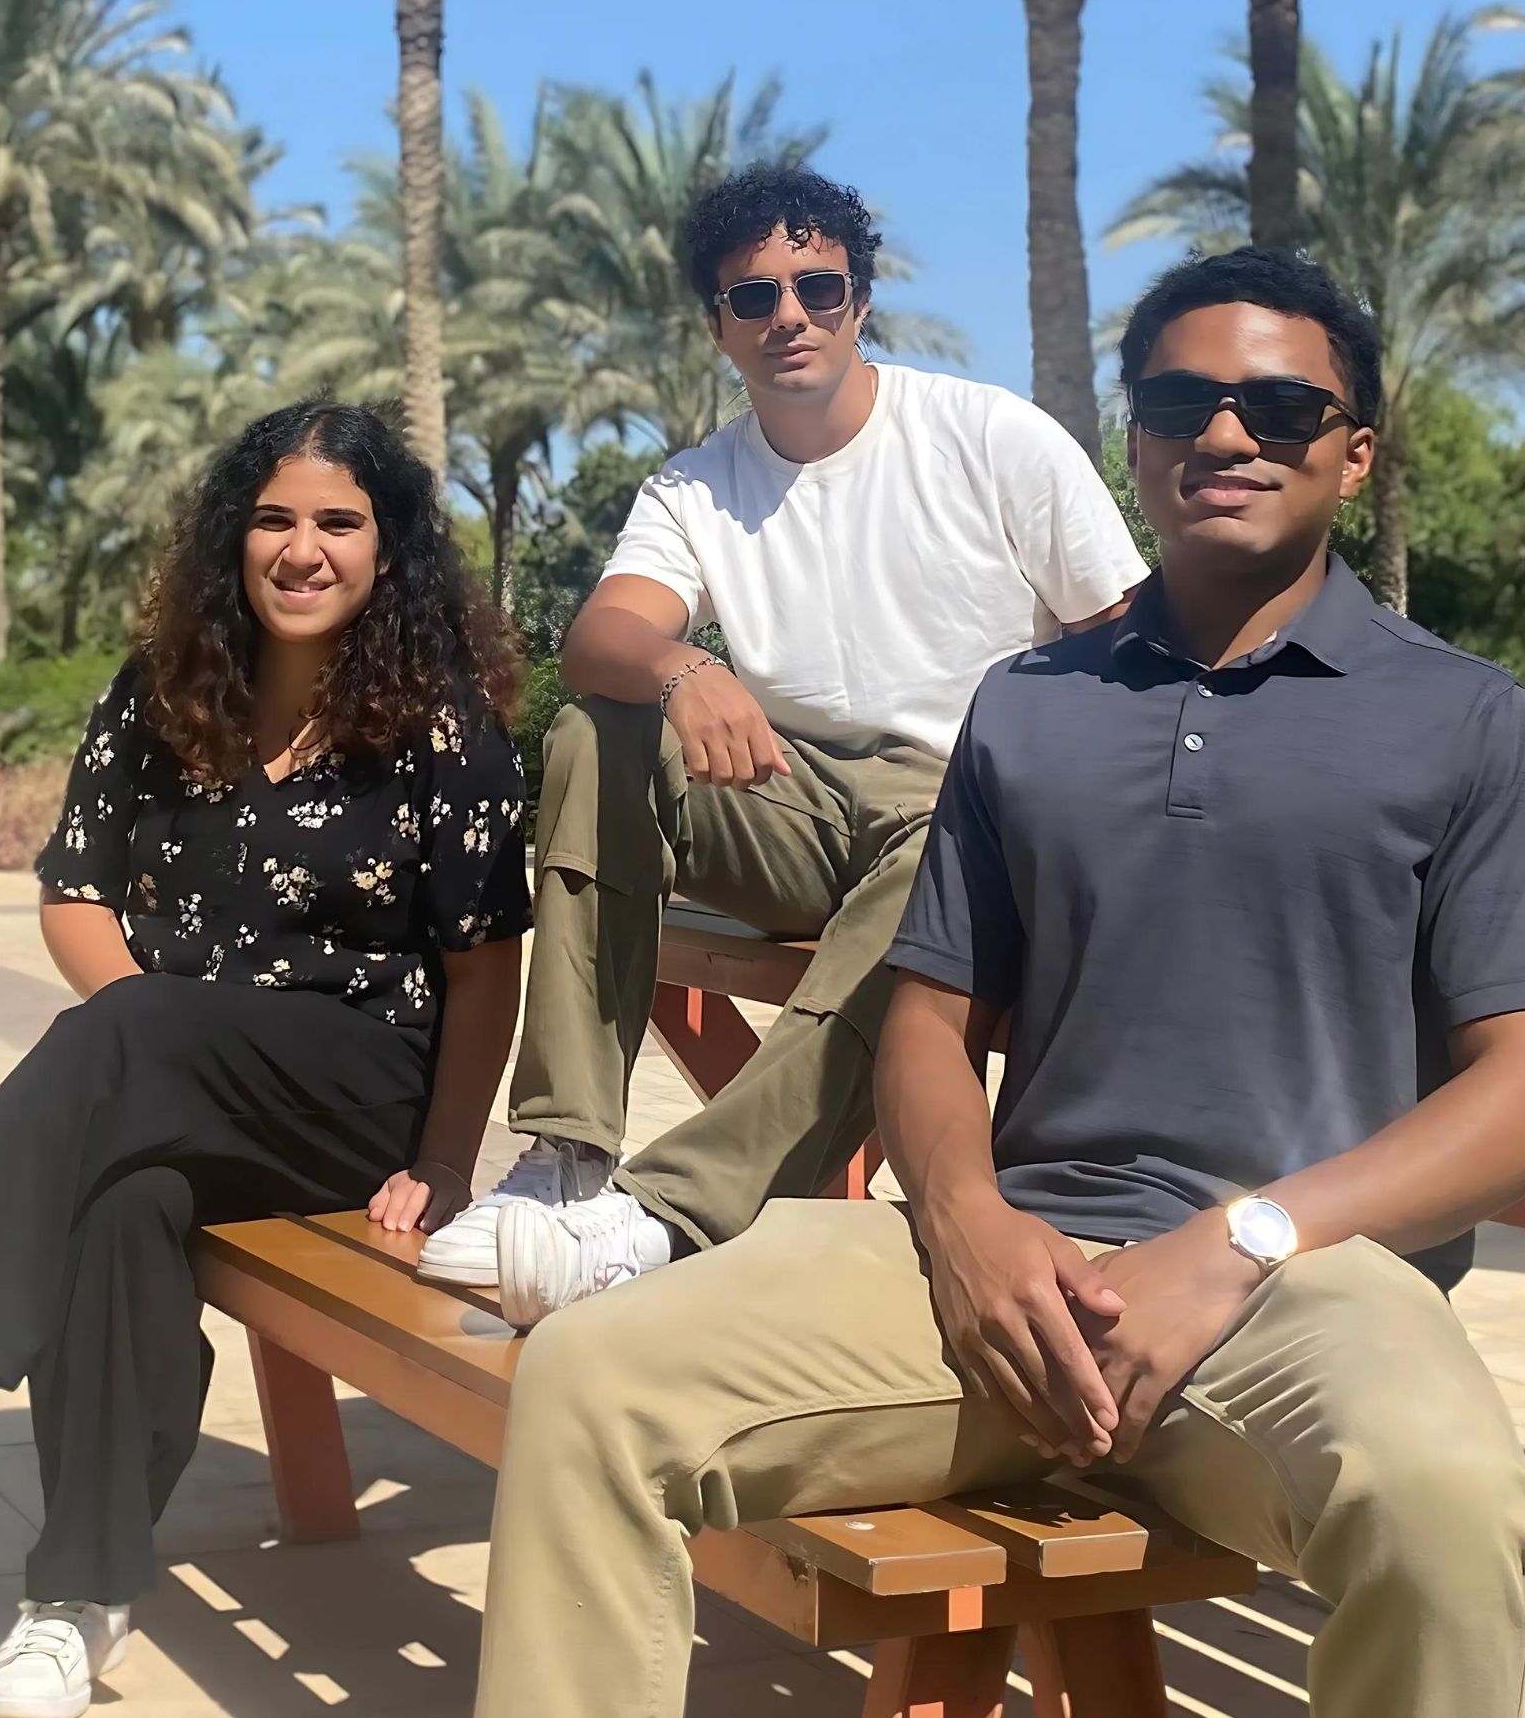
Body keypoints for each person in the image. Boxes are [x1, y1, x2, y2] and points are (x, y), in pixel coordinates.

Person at [456, 247, 1525, 1718]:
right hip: (1004, 1273)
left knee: (1443, 1502)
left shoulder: (1462, 720)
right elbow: (925, 1019)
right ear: (1130, 437)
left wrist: (1243, 1238)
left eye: (1279, 403)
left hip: (1300, 1291)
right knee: (585, 1381)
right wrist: (966, 1217)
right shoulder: (1030, 705)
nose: (1223, 430)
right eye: (1176, 399)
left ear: (1351, 450)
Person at [0, 402, 530, 1718]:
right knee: (121, 1205)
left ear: (389, 551)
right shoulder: (168, 691)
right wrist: (150, 1043)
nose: (303, 549)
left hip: (356, 1094)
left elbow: (483, 970)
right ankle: (77, 1593)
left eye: (339, 523)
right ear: (234, 538)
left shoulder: (445, 731)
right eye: (276, 518)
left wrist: (443, 1158)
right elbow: (74, 891)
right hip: (178, 1067)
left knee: (133, 1050)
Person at [418, 161, 1145, 1321]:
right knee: (595, 734)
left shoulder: (990, 436)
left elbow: (1125, 643)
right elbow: (606, 632)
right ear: (719, 325)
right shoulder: (699, 484)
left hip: (974, 809)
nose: (789, 315)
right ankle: (565, 1158)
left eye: (818, 285)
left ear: (860, 300)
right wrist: (684, 666)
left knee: (929, 886)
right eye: (753, 298)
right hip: (790, 802)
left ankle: (670, 1216)